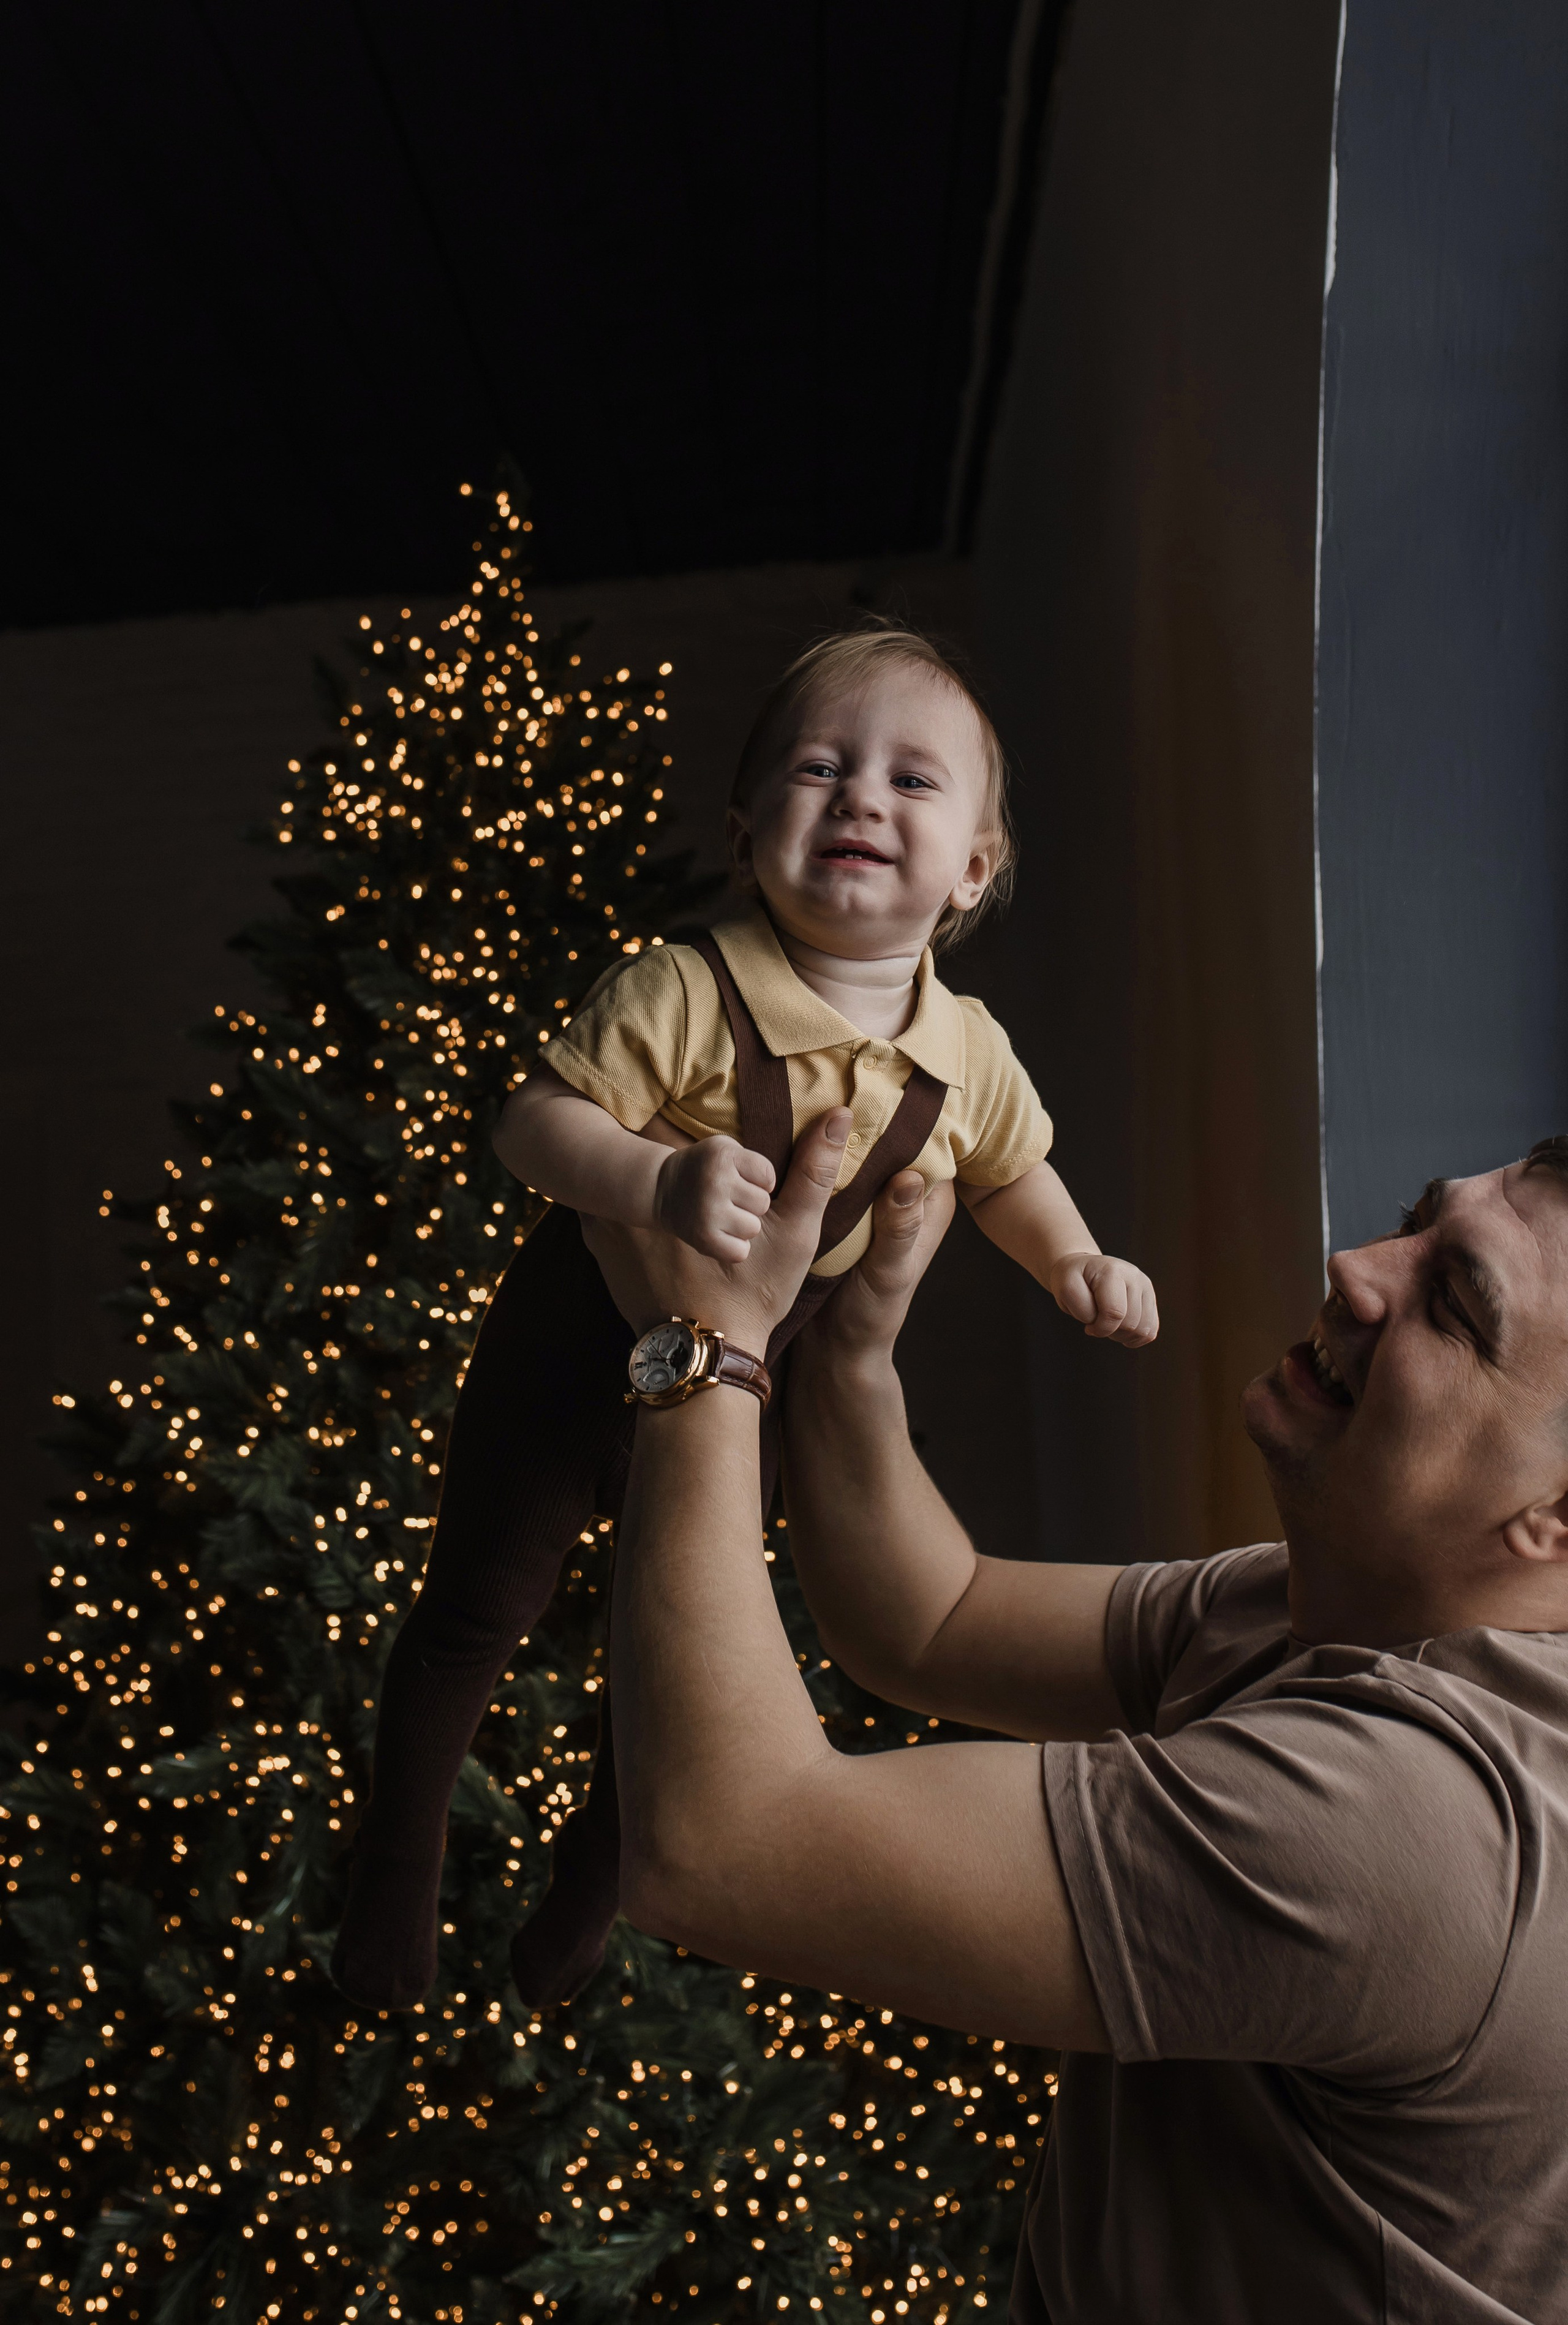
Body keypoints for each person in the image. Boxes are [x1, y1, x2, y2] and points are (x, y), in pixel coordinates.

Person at [585, 1121, 1568, 2324]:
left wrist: (707, 1348)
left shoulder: (1417, 1818)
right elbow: (931, 1617)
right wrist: (846, 1333)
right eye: (1419, 1219)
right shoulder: (1357, 1597)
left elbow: (717, 1848)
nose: (1360, 1267)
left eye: (1454, 1308)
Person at [333, 624, 1156, 2013]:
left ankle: (587, 1897)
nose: (857, 799)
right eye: (817, 768)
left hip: (744, 1377)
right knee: (480, 1603)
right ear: (743, 828)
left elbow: (1012, 1173)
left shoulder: (966, 1050)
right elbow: (529, 1122)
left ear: (972, 868)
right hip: (578, 1331)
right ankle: (391, 1881)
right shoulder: (684, 987)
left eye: (911, 779)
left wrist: (1072, 1261)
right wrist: (654, 1173)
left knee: (672, 1633)